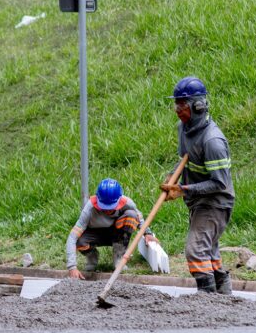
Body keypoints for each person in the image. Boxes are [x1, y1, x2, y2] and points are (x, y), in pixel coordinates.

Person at [159, 77, 235, 294]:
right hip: (197, 200)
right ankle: (224, 295)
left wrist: (184, 190)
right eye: (176, 104)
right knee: (209, 250)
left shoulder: (213, 141)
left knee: (196, 249)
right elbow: (185, 158)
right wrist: (172, 177)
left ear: (197, 106)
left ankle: (207, 298)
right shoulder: (184, 129)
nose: (177, 109)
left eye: (181, 105)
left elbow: (219, 183)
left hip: (215, 203)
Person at [66, 178, 156, 279]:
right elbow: (72, 237)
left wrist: (147, 233)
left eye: (111, 207)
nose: (107, 210)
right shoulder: (89, 208)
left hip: (117, 234)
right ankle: (92, 257)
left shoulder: (127, 203)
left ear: (118, 200)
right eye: (104, 207)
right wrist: (72, 267)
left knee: (132, 215)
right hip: (95, 235)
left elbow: (140, 218)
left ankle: (118, 257)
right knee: (79, 241)